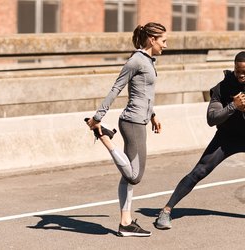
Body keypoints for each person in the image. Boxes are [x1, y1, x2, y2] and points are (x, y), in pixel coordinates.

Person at [155, 51, 245, 229]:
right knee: (199, 172)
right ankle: (165, 211)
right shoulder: (222, 87)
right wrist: (233, 106)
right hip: (226, 139)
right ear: (234, 68)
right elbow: (211, 119)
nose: (241, 75)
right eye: (238, 71)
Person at [85, 22, 167, 237]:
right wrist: (97, 117)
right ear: (152, 39)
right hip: (132, 122)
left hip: (140, 119)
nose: (165, 45)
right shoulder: (136, 61)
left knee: (127, 177)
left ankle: (125, 223)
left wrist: (153, 115)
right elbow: (116, 88)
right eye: (163, 41)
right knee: (134, 176)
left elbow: (144, 93)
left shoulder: (148, 61)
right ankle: (103, 135)